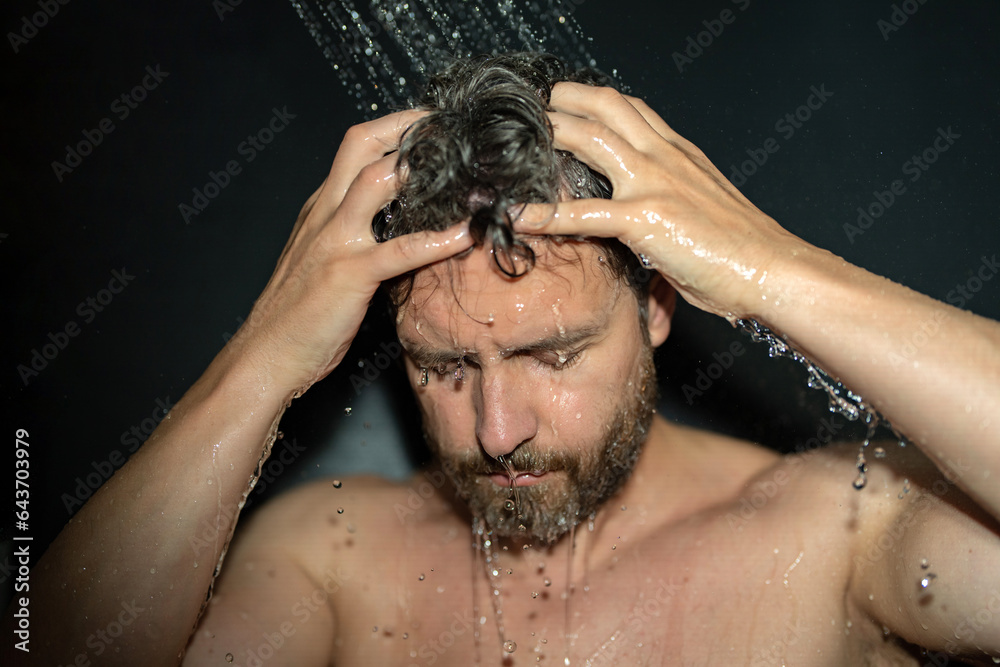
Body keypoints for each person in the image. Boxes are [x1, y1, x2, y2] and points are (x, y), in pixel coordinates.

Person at [7, 52, 999, 666]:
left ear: (656, 306)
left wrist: (768, 269)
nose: (497, 428)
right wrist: (259, 363)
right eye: (442, 367)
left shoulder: (839, 532)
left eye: (552, 354)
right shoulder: (333, 561)